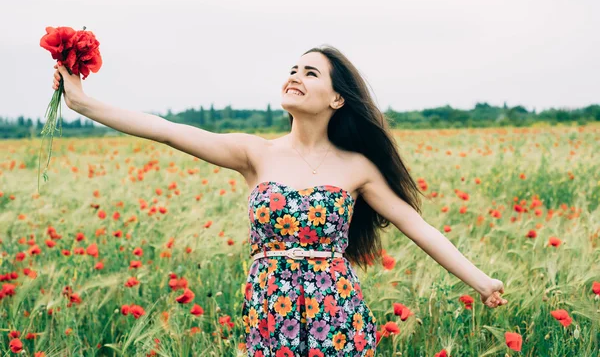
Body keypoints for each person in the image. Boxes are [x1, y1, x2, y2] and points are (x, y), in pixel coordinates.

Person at [52, 44, 507, 356]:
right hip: (271, 310)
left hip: (338, 311)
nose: (295, 76)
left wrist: (482, 281)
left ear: (336, 100)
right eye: (293, 69)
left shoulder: (357, 168)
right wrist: (83, 103)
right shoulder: (256, 154)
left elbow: (418, 227)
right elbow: (168, 130)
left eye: (311, 73)